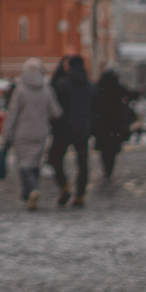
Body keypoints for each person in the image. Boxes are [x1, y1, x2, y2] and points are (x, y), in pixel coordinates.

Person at [0, 59, 61, 208]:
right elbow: (56, 112)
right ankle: (30, 193)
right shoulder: (46, 89)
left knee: (23, 163)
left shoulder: (20, 90)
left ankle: (31, 190)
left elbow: (13, 114)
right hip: (41, 132)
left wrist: (6, 134)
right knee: (35, 162)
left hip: (23, 132)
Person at [49, 54, 92, 207]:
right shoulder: (89, 85)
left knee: (55, 159)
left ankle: (64, 187)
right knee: (83, 163)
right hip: (82, 128)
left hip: (63, 128)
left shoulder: (62, 84)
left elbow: (54, 106)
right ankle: (80, 195)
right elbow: (95, 107)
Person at [91, 67, 135, 184]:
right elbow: (131, 95)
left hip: (102, 123)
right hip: (115, 123)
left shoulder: (99, 86)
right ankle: (109, 170)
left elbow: (93, 101)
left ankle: (106, 169)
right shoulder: (118, 87)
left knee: (104, 149)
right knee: (113, 148)